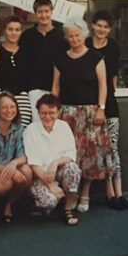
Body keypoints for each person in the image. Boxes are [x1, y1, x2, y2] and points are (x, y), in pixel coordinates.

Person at [52, 17, 115, 213]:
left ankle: (85, 193)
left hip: (90, 113)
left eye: (77, 35)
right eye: (70, 36)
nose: (74, 39)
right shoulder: (61, 60)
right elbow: (56, 87)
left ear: (84, 35)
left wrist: (101, 108)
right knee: (70, 155)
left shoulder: (96, 57)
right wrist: (54, 111)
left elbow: (103, 85)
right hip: (67, 113)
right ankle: (72, 193)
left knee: (89, 155)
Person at [86, 10, 128, 210]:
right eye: (99, 25)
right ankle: (109, 192)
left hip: (109, 103)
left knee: (112, 147)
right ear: (92, 25)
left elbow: (112, 77)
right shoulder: (85, 45)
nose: (102, 30)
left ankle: (119, 192)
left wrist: (108, 99)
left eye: (106, 27)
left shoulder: (113, 47)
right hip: (90, 102)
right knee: (97, 149)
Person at [23, 93, 81, 226]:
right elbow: (33, 163)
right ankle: (42, 202)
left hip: (58, 171)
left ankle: (68, 208)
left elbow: (71, 154)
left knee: (73, 169)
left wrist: (55, 163)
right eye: (43, 113)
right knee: (48, 202)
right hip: (40, 175)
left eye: (51, 112)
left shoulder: (64, 127)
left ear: (59, 112)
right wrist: (50, 185)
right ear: (38, 112)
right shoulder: (31, 130)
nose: (47, 116)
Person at [0, 92, 32, 222]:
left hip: (9, 168)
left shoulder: (18, 128)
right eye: (4, 107)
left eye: (12, 106)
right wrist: (7, 170)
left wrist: (14, 164)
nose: (9, 111)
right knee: (5, 184)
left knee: (27, 171)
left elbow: (23, 156)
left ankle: (9, 204)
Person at [19, 0, 67, 121]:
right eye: (40, 12)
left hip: (56, 88)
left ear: (52, 12)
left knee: (54, 124)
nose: (44, 15)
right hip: (34, 89)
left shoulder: (61, 36)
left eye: (46, 11)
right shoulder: (27, 36)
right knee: (37, 123)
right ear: (35, 13)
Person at [0, 16, 32, 127]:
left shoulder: (26, 52)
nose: (13, 33)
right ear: (4, 31)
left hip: (22, 96)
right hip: (1, 94)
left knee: (22, 130)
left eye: (17, 30)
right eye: (10, 29)